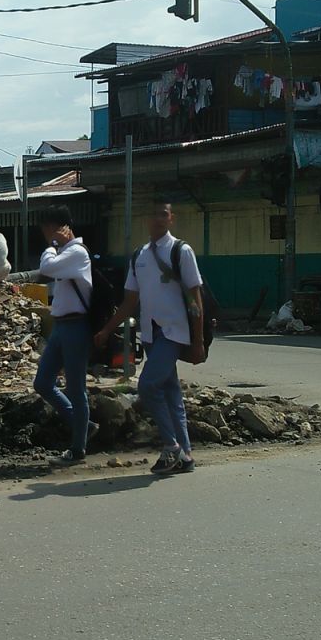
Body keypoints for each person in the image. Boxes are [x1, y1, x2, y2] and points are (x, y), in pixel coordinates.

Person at [95, 200, 207, 475]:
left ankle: (171, 447)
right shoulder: (139, 256)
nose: (158, 218)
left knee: (147, 386)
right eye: (154, 213)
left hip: (173, 332)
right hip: (150, 333)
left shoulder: (181, 251)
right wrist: (108, 329)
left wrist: (198, 340)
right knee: (171, 394)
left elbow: (195, 299)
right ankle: (186, 454)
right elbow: (130, 301)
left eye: (163, 214)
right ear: (146, 219)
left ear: (171, 218)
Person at [31, 205, 97, 467]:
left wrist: (52, 245)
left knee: (76, 388)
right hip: (61, 326)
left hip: (76, 327)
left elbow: (47, 268)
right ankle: (82, 425)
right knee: (43, 382)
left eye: (47, 229)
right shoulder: (66, 253)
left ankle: (78, 448)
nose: (46, 234)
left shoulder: (76, 253)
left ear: (56, 227)